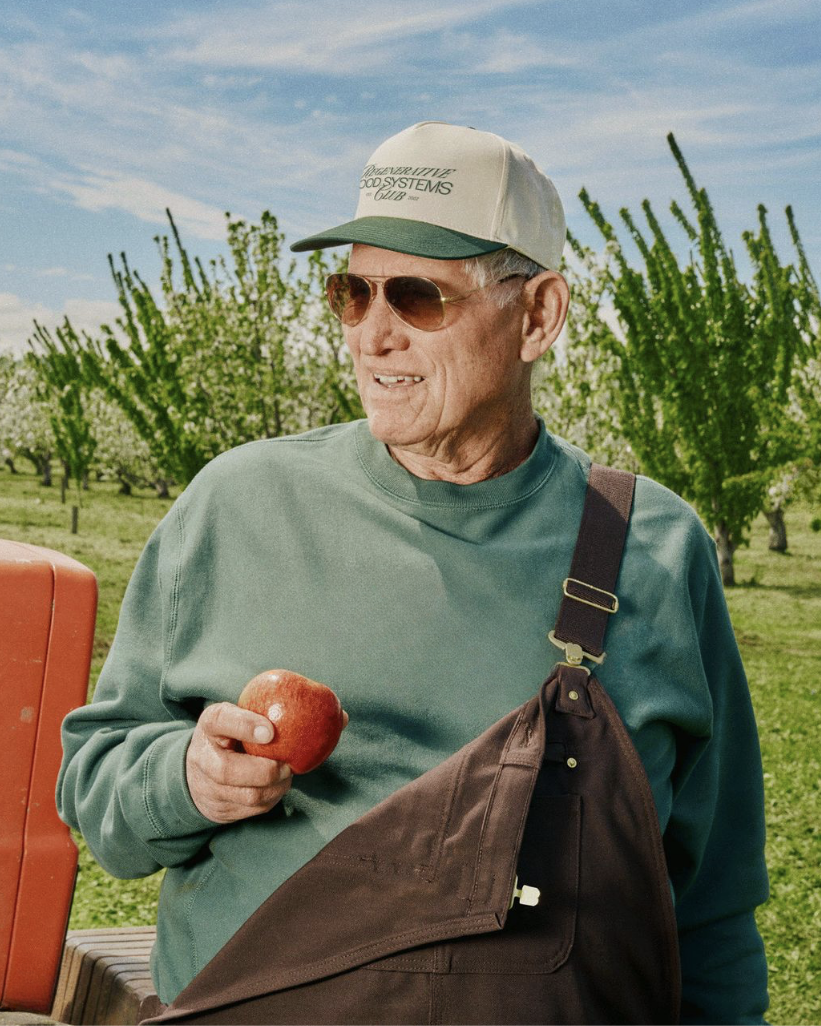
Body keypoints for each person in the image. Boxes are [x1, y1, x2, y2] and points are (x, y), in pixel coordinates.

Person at [57, 121, 769, 1024]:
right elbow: (95, 780)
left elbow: (712, 904)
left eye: (418, 297)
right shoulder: (235, 508)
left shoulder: (651, 547)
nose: (372, 335)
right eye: (352, 292)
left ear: (538, 315)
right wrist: (188, 781)